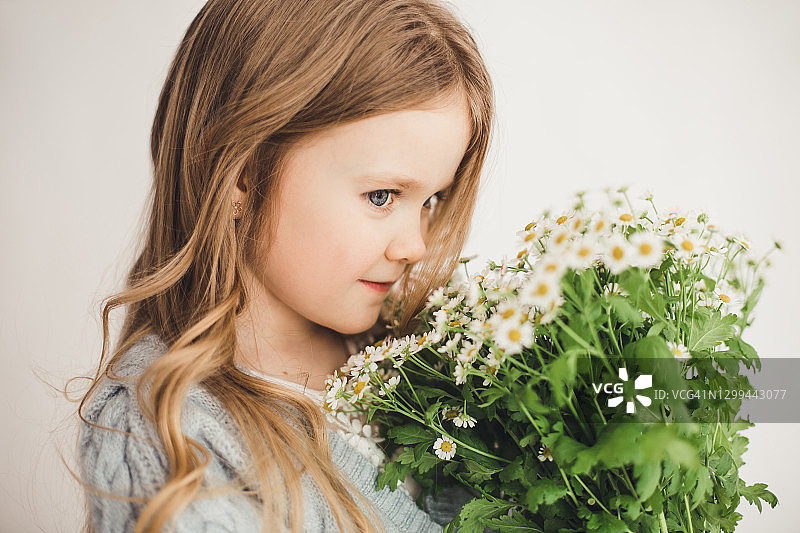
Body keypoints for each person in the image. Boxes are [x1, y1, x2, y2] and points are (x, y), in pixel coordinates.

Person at [77, 0, 494, 531]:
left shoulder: (424, 351)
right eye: (382, 196)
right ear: (242, 175)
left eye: (432, 200)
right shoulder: (166, 437)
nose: (414, 246)